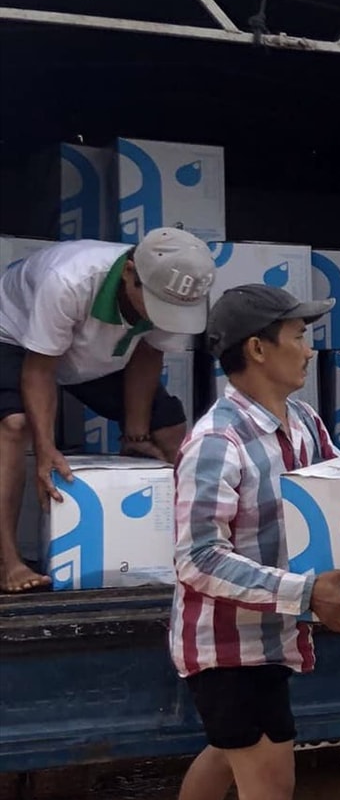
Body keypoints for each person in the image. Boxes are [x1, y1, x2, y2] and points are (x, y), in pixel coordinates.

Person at [137, 284, 340, 800]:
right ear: (258, 349)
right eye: (297, 333)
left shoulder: (302, 424)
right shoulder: (216, 441)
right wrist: (304, 593)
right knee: (269, 791)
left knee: (229, 755)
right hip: (229, 645)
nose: (308, 345)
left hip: (268, 634)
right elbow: (195, 559)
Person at [0, 230, 214, 592]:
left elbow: (148, 355)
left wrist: (136, 435)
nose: (164, 314)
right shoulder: (68, 280)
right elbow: (40, 370)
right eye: (156, 303)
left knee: (170, 428)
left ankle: (190, 551)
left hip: (92, 352)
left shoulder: (176, 292)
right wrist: (46, 451)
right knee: (14, 426)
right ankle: (8, 561)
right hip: (17, 337)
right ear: (130, 272)